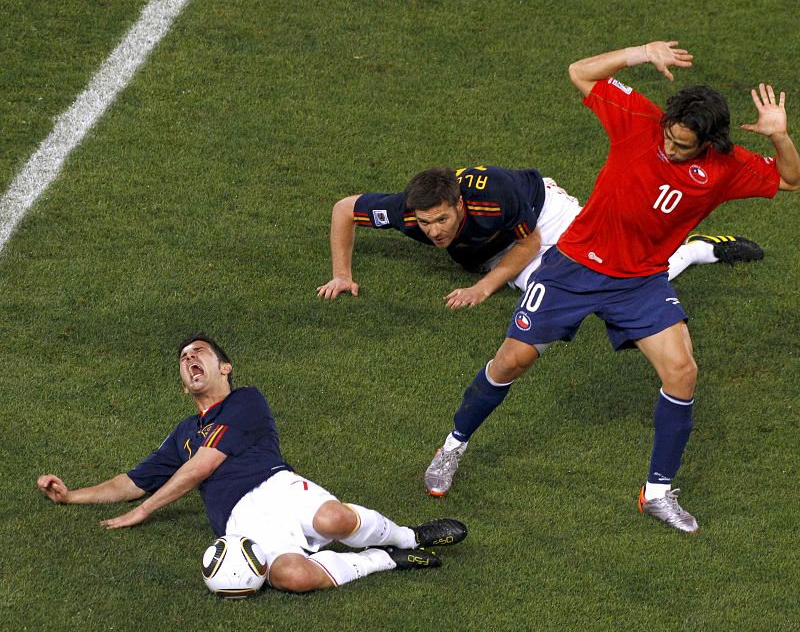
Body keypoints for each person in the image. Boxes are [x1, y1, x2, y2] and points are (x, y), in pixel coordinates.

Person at [423, 41, 800, 533]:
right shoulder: (639, 121)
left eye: (683, 146)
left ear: (709, 142)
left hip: (639, 282)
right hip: (572, 268)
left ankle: (657, 493)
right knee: (512, 360)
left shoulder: (726, 169)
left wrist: (780, 138)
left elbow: (791, 180)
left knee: (682, 373)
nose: (669, 147)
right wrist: (641, 53)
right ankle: (452, 446)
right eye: (669, 136)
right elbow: (579, 71)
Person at [38, 334, 467, 593]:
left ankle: (410, 536)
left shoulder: (246, 401)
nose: (190, 361)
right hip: (239, 521)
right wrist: (71, 496)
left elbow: (201, 469)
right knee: (293, 578)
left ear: (224, 367)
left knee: (336, 519)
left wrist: (146, 510)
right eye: (184, 360)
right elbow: (131, 481)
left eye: (199, 353)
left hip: (275, 487)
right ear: (183, 383)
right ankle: (387, 559)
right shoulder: (183, 434)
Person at [316, 165, 765, 308]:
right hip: (499, 249)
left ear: (459, 205)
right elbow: (342, 209)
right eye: (425, 223)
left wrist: (482, 288)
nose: (433, 231)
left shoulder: (496, 193)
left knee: (622, 270)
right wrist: (341, 274)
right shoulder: (407, 211)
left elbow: (529, 242)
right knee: (561, 295)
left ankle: (698, 249)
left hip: (544, 215)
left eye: (441, 220)